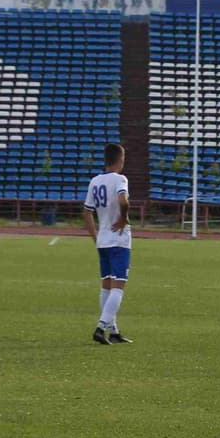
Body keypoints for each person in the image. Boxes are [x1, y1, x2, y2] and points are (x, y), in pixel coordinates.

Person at [81, 143, 133, 344]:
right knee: (118, 286)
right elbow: (123, 200)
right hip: (118, 239)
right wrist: (123, 218)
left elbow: (87, 212)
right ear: (120, 160)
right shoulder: (120, 179)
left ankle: (114, 331)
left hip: (102, 240)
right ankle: (101, 327)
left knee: (106, 286)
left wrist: (95, 236)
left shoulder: (95, 181)